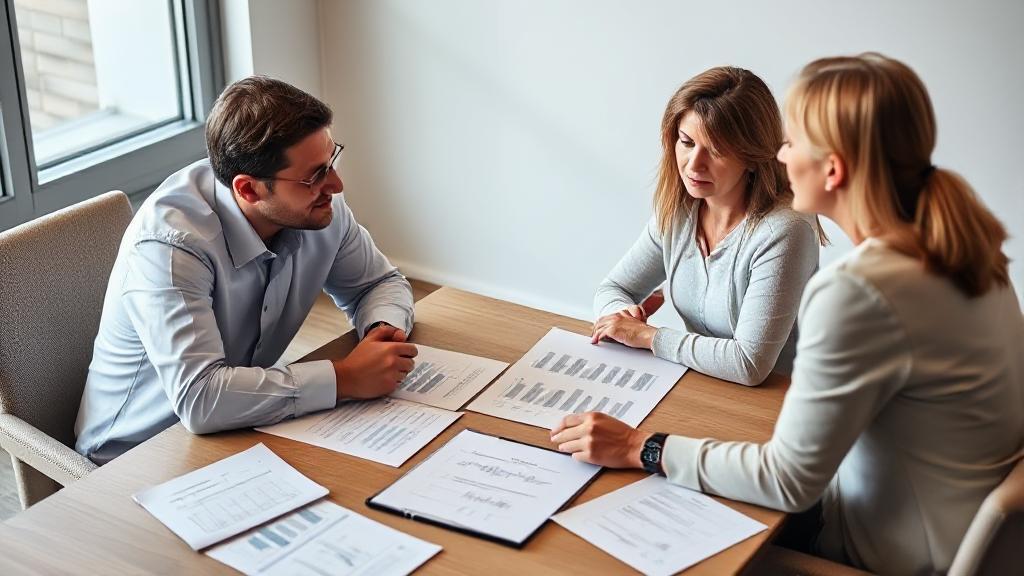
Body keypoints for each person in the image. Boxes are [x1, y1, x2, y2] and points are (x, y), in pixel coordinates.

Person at [552, 53, 1024, 574]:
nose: (779, 153)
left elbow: (789, 482)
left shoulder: (859, 292)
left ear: (832, 169)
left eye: (791, 141)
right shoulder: (967, 251)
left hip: (876, 552)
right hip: (945, 529)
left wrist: (641, 446)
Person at [75, 76, 417, 464]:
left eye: (331, 161)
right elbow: (201, 398)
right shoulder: (170, 247)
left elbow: (378, 283)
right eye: (314, 176)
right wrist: (345, 378)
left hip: (239, 426)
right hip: (131, 457)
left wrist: (382, 333)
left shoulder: (316, 208)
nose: (336, 186)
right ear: (249, 190)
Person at [592, 66, 822, 387]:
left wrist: (648, 337)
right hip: (703, 384)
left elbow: (749, 364)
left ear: (752, 156)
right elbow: (613, 289)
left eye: (716, 151)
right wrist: (623, 315)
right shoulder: (679, 209)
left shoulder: (785, 230)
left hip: (779, 399)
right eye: (686, 142)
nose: (694, 164)